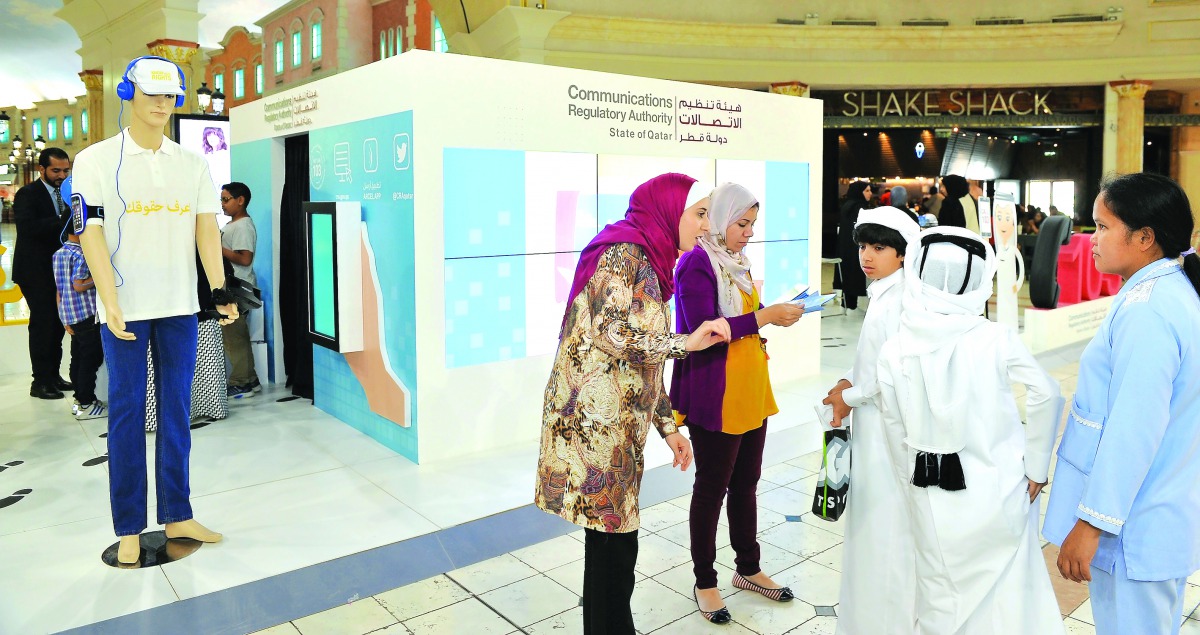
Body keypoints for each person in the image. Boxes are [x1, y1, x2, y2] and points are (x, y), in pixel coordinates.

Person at [535, 173, 731, 634]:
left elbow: (639, 363)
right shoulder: (624, 254)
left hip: (617, 427)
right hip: (594, 429)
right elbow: (612, 333)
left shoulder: (651, 259)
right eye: (699, 213)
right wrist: (686, 343)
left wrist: (668, 428)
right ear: (669, 210)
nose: (705, 226)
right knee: (613, 546)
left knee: (615, 545)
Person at [73, 55, 235, 565]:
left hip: (179, 305)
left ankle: (177, 512)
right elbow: (89, 230)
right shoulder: (95, 160)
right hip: (124, 308)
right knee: (125, 413)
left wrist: (219, 288)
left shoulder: (191, 163)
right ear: (128, 94)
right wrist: (111, 299)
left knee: (176, 412)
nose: (163, 105)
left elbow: (206, 226)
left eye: (170, 96)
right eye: (153, 95)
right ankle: (128, 525)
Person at [876, 226, 1064, 634]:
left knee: (938, 590)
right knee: (1007, 591)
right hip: (998, 486)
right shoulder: (994, 338)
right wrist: (1035, 467)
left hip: (927, 487)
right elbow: (1047, 394)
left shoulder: (895, 348)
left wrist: (904, 474)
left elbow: (893, 424)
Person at [1044, 173, 1200, 635]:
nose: (1092, 240)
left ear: (1145, 238)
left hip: (1136, 524)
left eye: (1103, 226)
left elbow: (1133, 430)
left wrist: (1091, 526)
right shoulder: (1166, 293)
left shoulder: (1149, 312)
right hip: (1159, 510)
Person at [670, 183, 806, 624]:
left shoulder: (737, 264)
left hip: (750, 386)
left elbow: (746, 316)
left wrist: (776, 313)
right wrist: (764, 317)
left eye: (752, 225)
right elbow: (703, 329)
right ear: (720, 219)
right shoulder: (695, 264)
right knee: (711, 488)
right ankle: (704, 580)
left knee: (746, 481)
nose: (748, 233)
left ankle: (748, 568)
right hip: (717, 393)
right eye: (741, 224)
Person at [822, 207, 921, 634]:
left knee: (885, 525)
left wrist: (847, 396)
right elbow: (871, 359)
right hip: (873, 424)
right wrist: (849, 379)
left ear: (902, 253)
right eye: (863, 245)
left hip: (888, 430)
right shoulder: (884, 290)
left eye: (879, 247)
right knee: (872, 522)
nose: (867, 255)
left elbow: (891, 375)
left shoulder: (901, 298)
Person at [12, 147, 73, 399]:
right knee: (43, 324)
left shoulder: (69, 194)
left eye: (65, 170)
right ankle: (40, 382)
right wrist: (62, 220)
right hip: (35, 271)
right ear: (42, 170)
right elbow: (27, 228)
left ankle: (53, 375)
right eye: (55, 170)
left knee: (58, 324)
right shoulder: (28, 194)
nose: (61, 175)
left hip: (59, 269)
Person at [52, 225, 106, 421]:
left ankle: (79, 400)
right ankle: (86, 402)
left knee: (78, 358)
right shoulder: (83, 254)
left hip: (70, 315)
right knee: (90, 360)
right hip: (86, 315)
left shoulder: (59, 253)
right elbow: (79, 284)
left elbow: (60, 289)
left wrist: (64, 318)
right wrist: (100, 276)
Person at [220, 182, 260, 398]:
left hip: (238, 288)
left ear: (240, 200)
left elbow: (245, 259)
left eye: (226, 199)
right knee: (236, 336)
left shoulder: (243, 226)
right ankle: (250, 379)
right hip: (233, 287)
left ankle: (242, 382)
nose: (223, 204)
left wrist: (218, 249)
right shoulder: (234, 224)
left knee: (235, 337)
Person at [837, 181, 872, 310]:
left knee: (847, 274)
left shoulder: (847, 205)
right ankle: (852, 304)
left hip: (845, 246)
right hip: (856, 247)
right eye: (867, 191)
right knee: (854, 274)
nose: (870, 193)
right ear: (860, 192)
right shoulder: (860, 207)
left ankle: (848, 303)